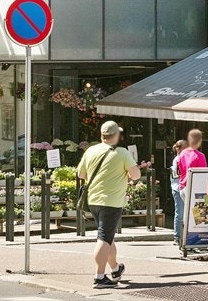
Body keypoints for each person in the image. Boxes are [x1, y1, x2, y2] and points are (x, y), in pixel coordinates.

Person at [76, 120, 139, 289]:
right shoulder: (122, 152)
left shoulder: (91, 150)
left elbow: (81, 174)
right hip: (111, 201)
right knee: (104, 238)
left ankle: (115, 269)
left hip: (93, 200)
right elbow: (136, 175)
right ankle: (99, 277)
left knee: (107, 236)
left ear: (102, 135)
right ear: (116, 135)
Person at [171, 129, 206, 246]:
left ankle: (184, 240)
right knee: (197, 216)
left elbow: (180, 171)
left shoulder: (182, 155)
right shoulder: (200, 156)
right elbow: (203, 175)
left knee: (186, 215)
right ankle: (194, 242)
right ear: (199, 141)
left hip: (182, 187)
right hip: (194, 188)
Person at [168, 139, 186, 242]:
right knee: (180, 213)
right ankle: (177, 236)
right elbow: (179, 173)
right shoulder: (177, 159)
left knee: (183, 213)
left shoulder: (182, 158)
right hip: (178, 188)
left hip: (182, 187)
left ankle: (181, 236)